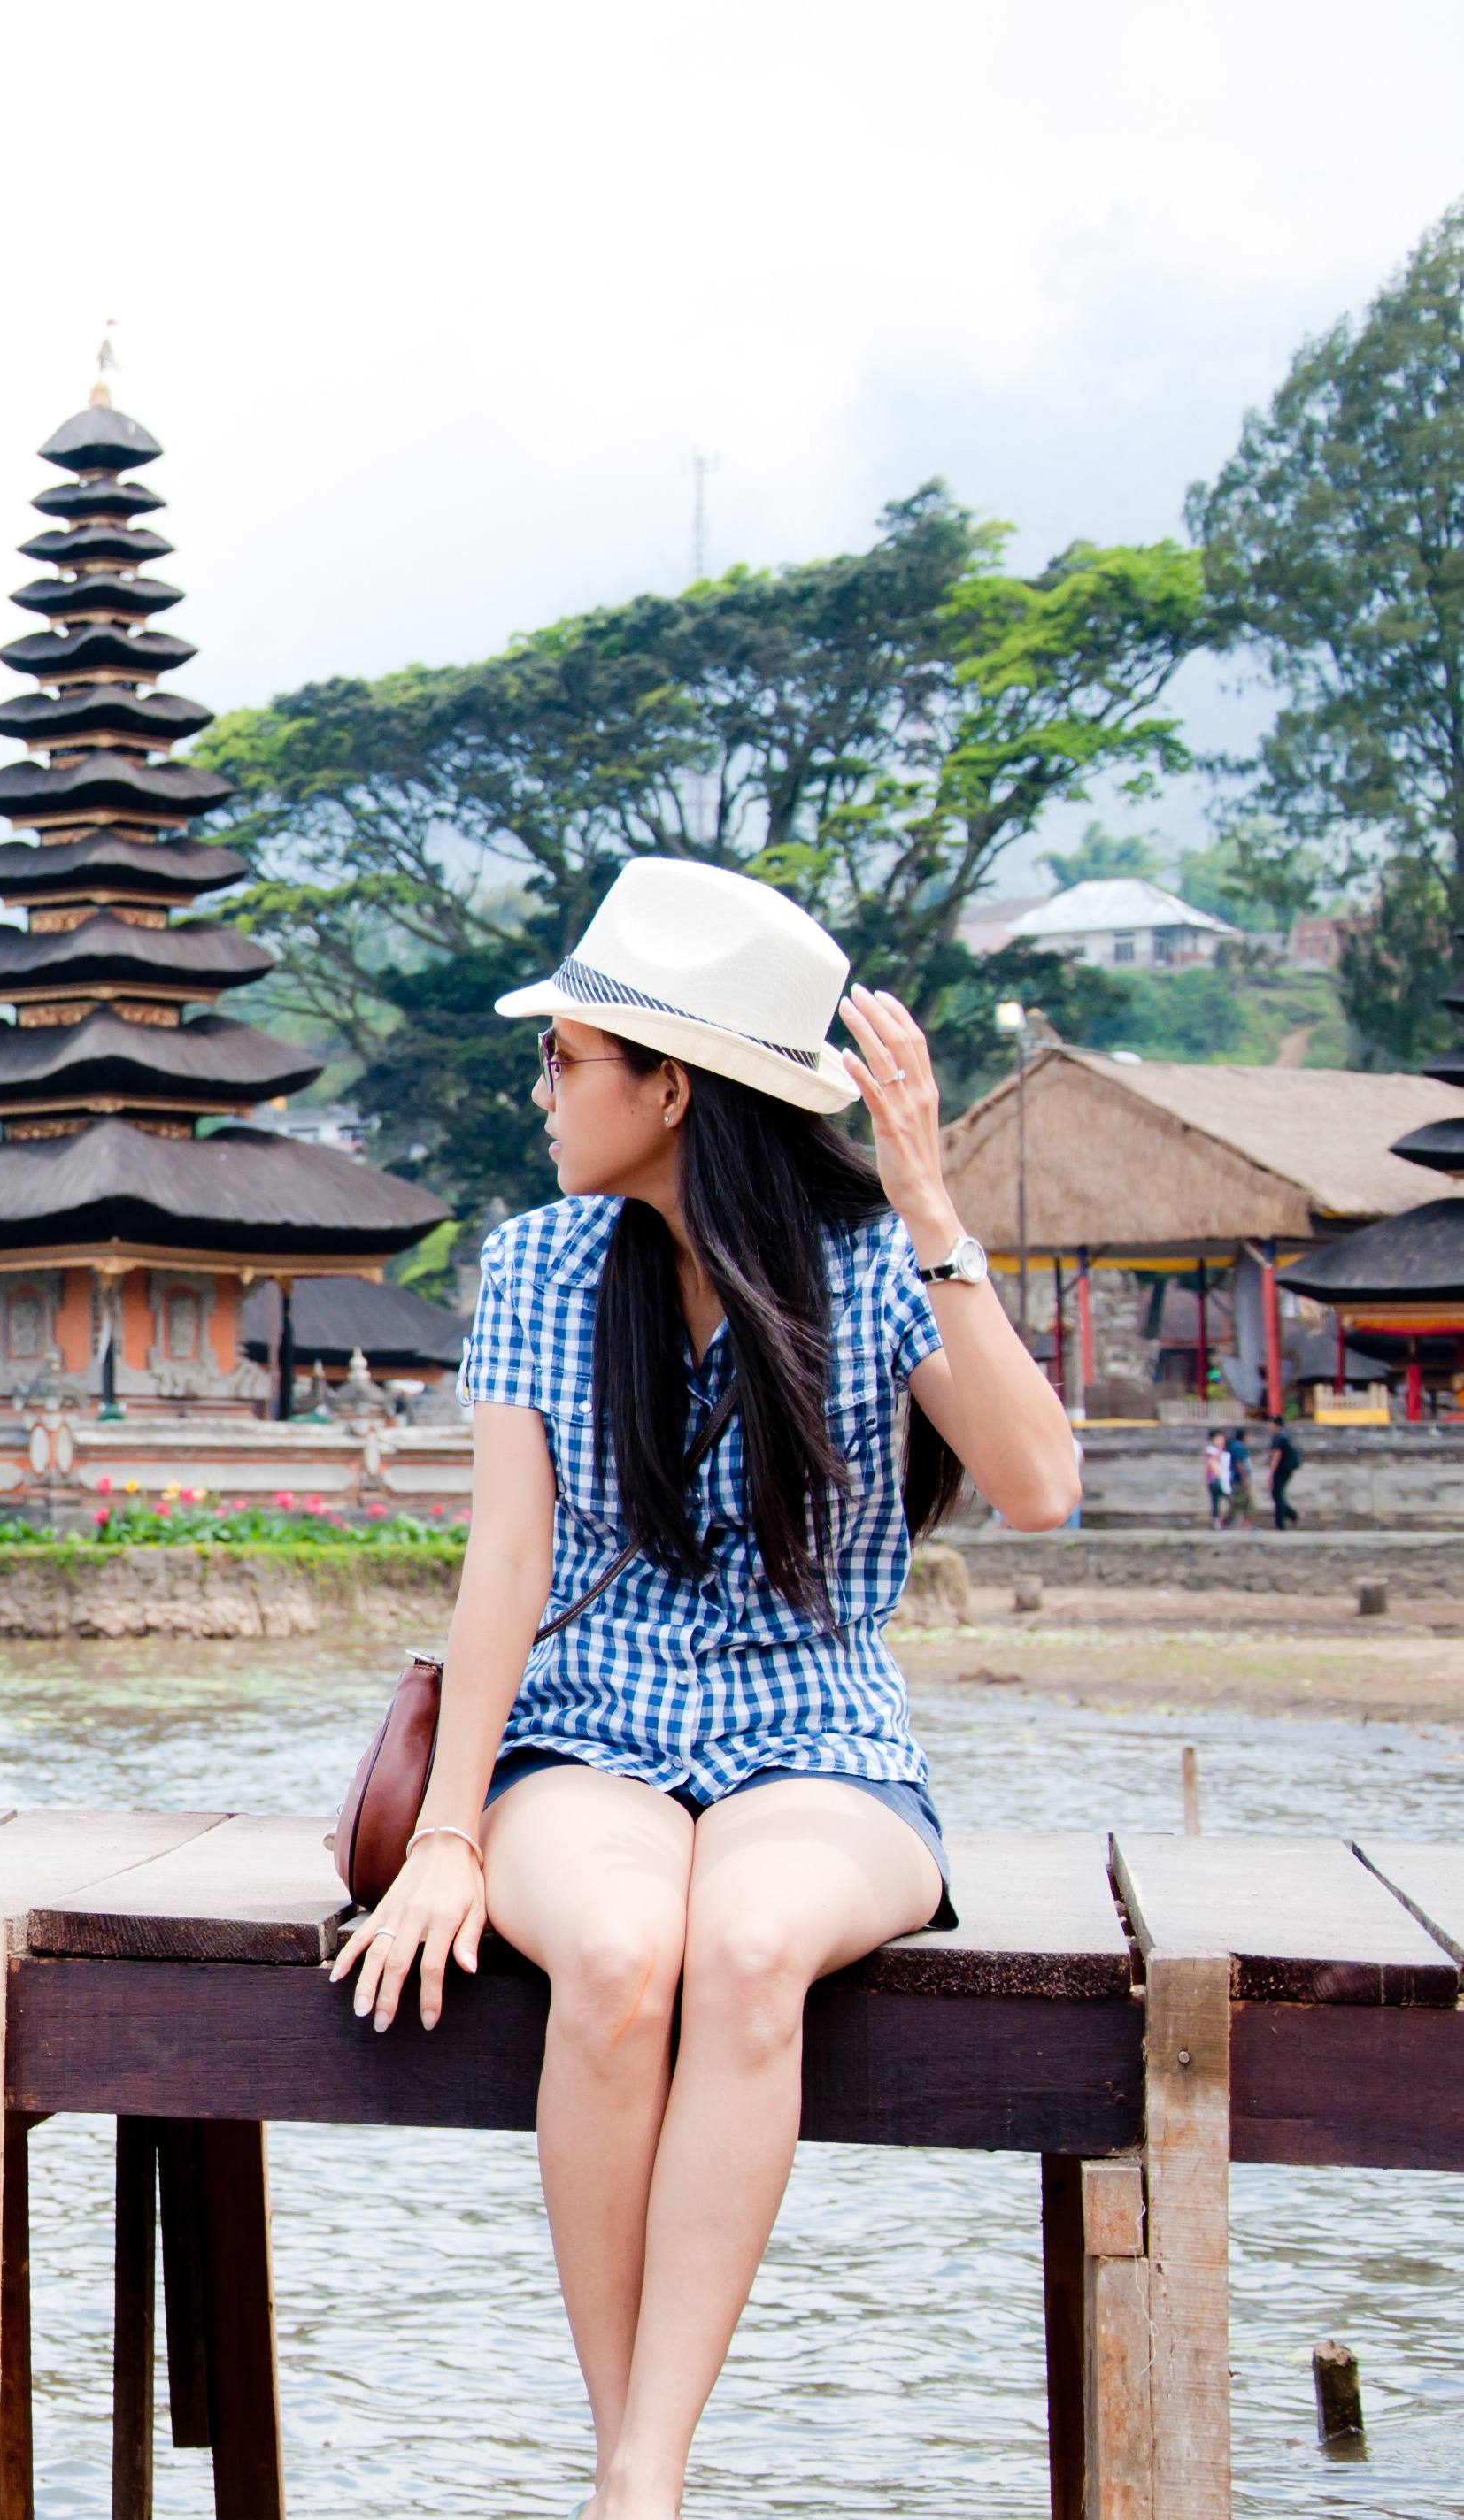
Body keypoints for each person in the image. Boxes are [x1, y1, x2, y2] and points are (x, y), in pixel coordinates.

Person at [327, 860, 1080, 2520]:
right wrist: (447, 1832)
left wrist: (934, 1213)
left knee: (743, 1952)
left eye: (565, 1059)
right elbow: (504, 1572)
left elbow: (1034, 1483)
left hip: (815, 1729)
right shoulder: (536, 1266)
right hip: (581, 1728)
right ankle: (635, 2474)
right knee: (611, 1953)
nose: (538, 1092)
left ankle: (636, 2475)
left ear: (669, 1087)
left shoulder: (874, 1261)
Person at [1268, 1418, 1304, 1529]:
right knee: (1278, 1495)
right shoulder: (1287, 1436)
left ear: (1275, 1425)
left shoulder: (1279, 1437)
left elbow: (1276, 1455)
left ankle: (1281, 1524)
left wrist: (1271, 1471)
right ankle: (1293, 1515)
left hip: (1280, 1470)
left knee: (1277, 1495)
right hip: (1288, 1469)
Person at [1202, 1422, 1237, 1530]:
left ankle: (1223, 1522)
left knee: (1231, 1502)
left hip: (1224, 1479)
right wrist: (1221, 1475)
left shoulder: (1223, 1451)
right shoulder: (1211, 1451)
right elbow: (1213, 1464)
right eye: (1218, 1439)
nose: (1221, 1441)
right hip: (1215, 1481)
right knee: (1216, 1503)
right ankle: (1217, 1523)